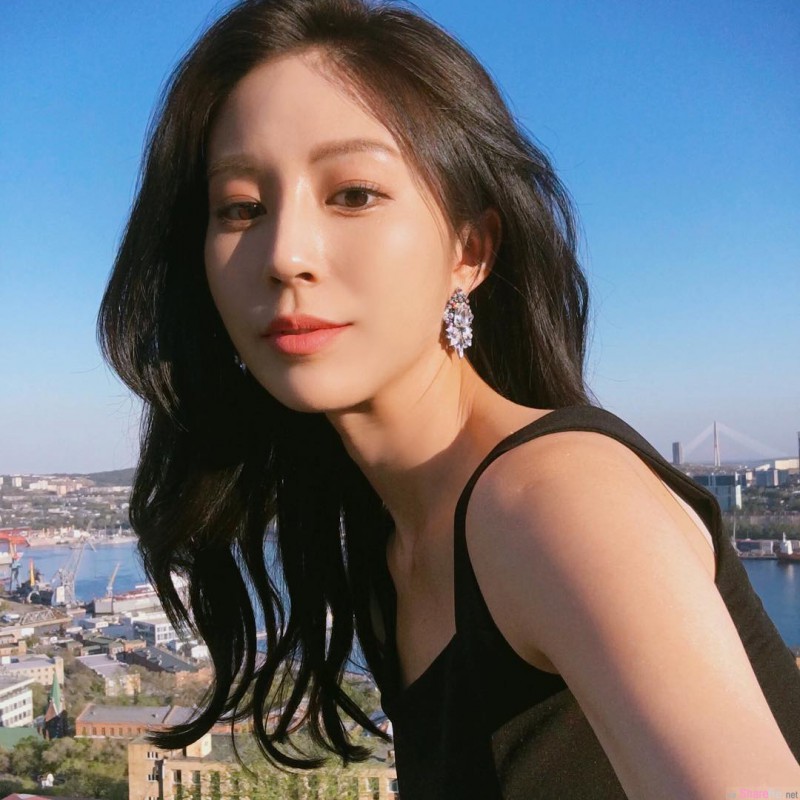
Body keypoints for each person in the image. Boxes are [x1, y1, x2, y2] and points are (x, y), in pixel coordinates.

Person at [98, 0, 800, 796]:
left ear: (470, 250)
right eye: (241, 208)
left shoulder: (555, 500)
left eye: (353, 194)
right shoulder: (395, 543)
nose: (285, 254)